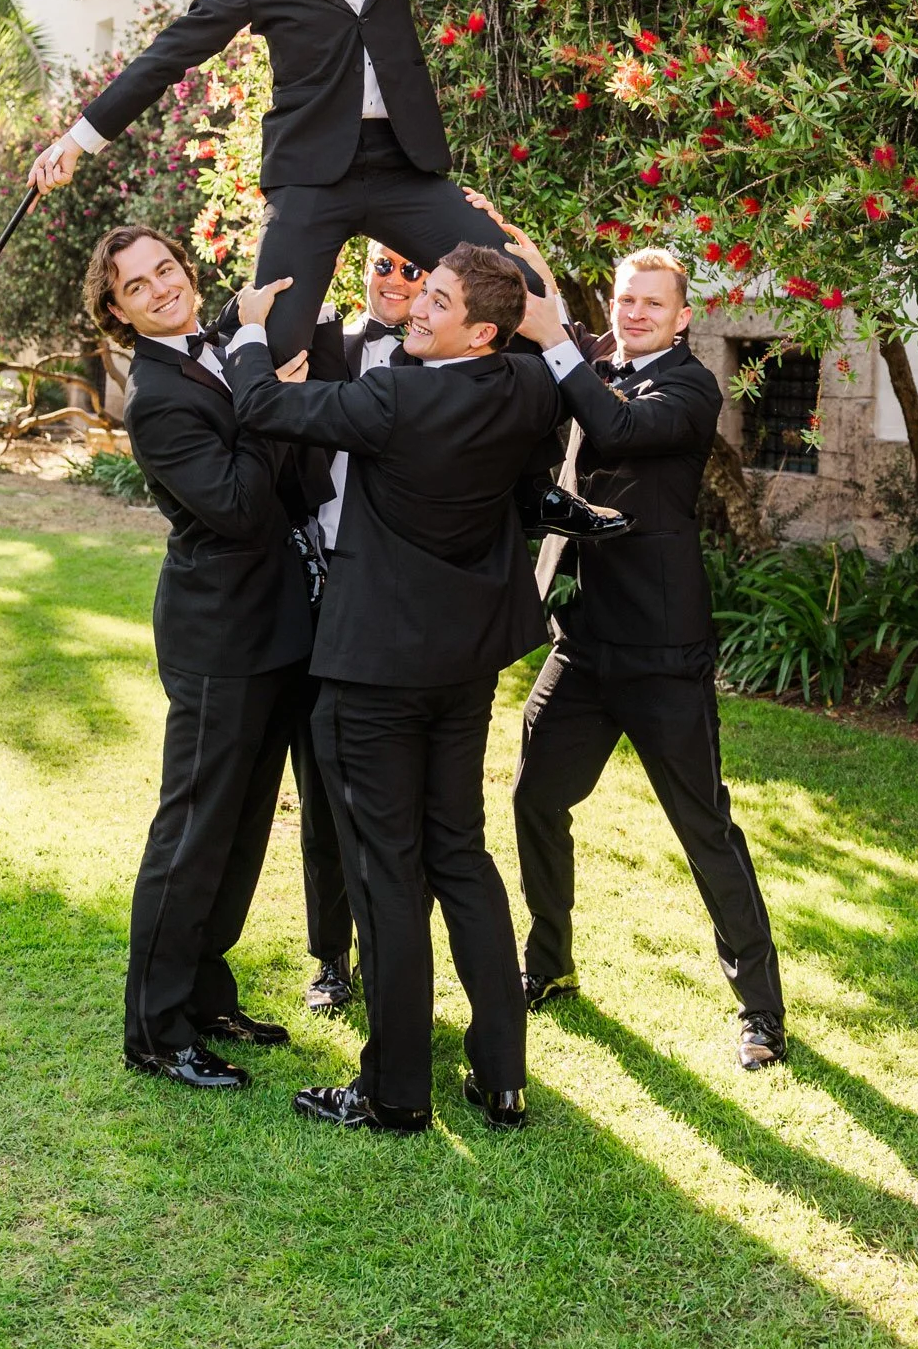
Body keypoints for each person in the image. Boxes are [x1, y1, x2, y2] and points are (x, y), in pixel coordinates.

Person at [29, 0, 641, 360]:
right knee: (272, 344)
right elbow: (169, 54)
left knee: (517, 289)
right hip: (309, 178)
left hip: (403, 167)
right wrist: (78, 141)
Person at [227, 242, 565, 1134]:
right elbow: (558, 368)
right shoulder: (530, 387)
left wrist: (250, 331)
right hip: (463, 667)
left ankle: (394, 1091)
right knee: (461, 854)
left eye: (439, 300)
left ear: (480, 331)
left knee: (384, 871)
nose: (416, 305)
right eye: (423, 291)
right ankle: (501, 1077)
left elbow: (262, 405)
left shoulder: (394, 399)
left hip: (373, 672)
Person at [506, 230, 788, 1072]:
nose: (632, 313)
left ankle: (761, 1012)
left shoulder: (691, 387)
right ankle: (549, 964)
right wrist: (528, 259)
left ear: (682, 317)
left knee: (703, 826)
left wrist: (558, 344)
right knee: (534, 797)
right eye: (624, 299)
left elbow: (617, 429)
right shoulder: (598, 361)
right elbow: (559, 341)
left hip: (663, 650)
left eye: (650, 303)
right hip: (583, 643)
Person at [89, 224, 316, 1094]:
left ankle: (207, 996)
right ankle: (154, 1030)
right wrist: (272, 408)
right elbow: (235, 505)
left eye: (165, 270)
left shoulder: (214, 345)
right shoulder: (154, 397)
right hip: (216, 638)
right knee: (189, 833)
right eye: (137, 287)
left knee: (241, 830)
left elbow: (233, 345)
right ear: (117, 311)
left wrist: (251, 337)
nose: (160, 289)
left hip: (271, 630)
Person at [295, 240, 426, 1015]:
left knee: (399, 794)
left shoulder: (445, 364)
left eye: (413, 269)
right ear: (362, 270)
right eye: (383, 264)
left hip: (401, 596)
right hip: (322, 581)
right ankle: (330, 958)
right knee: (321, 788)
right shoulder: (329, 347)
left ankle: (393, 955)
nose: (396, 280)